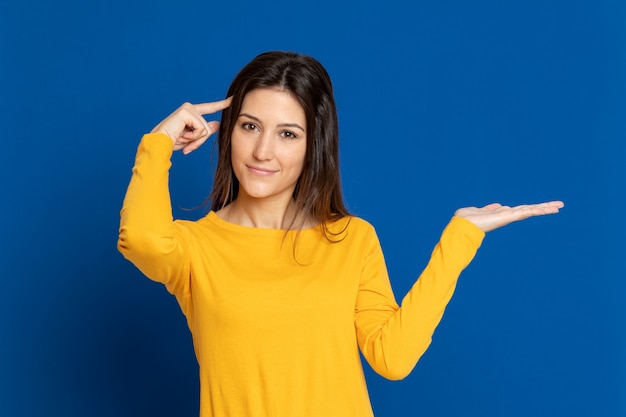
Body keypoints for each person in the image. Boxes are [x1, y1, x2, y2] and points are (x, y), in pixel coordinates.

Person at [117, 51, 563, 417]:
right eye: (250, 126)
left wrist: (460, 238)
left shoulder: (351, 239)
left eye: (287, 134)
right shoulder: (196, 248)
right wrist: (158, 144)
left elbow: (393, 357)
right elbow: (139, 240)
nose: (263, 151)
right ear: (228, 132)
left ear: (313, 145)